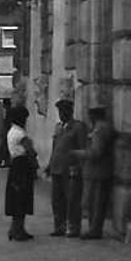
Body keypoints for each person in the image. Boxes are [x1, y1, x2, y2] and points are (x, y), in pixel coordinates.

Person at [47, 98, 88, 238]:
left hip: (70, 168)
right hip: (57, 167)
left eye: (64, 111)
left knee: (72, 200)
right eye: (60, 111)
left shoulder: (78, 127)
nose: (61, 114)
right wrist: (49, 164)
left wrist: (79, 165)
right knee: (56, 200)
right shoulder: (58, 127)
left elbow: (83, 148)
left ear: (70, 111)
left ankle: (73, 226)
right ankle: (59, 225)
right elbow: (55, 147)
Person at [77, 106, 116, 240]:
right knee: (95, 202)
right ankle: (94, 228)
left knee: (96, 202)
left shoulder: (100, 129)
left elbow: (96, 152)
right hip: (98, 171)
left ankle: (94, 230)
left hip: (98, 171)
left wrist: (79, 153)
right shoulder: (101, 128)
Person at [2, 105, 38, 241]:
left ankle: (15, 229)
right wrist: (35, 164)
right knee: (22, 198)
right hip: (22, 166)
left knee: (16, 198)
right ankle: (18, 229)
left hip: (15, 165)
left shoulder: (11, 131)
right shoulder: (21, 134)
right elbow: (31, 151)